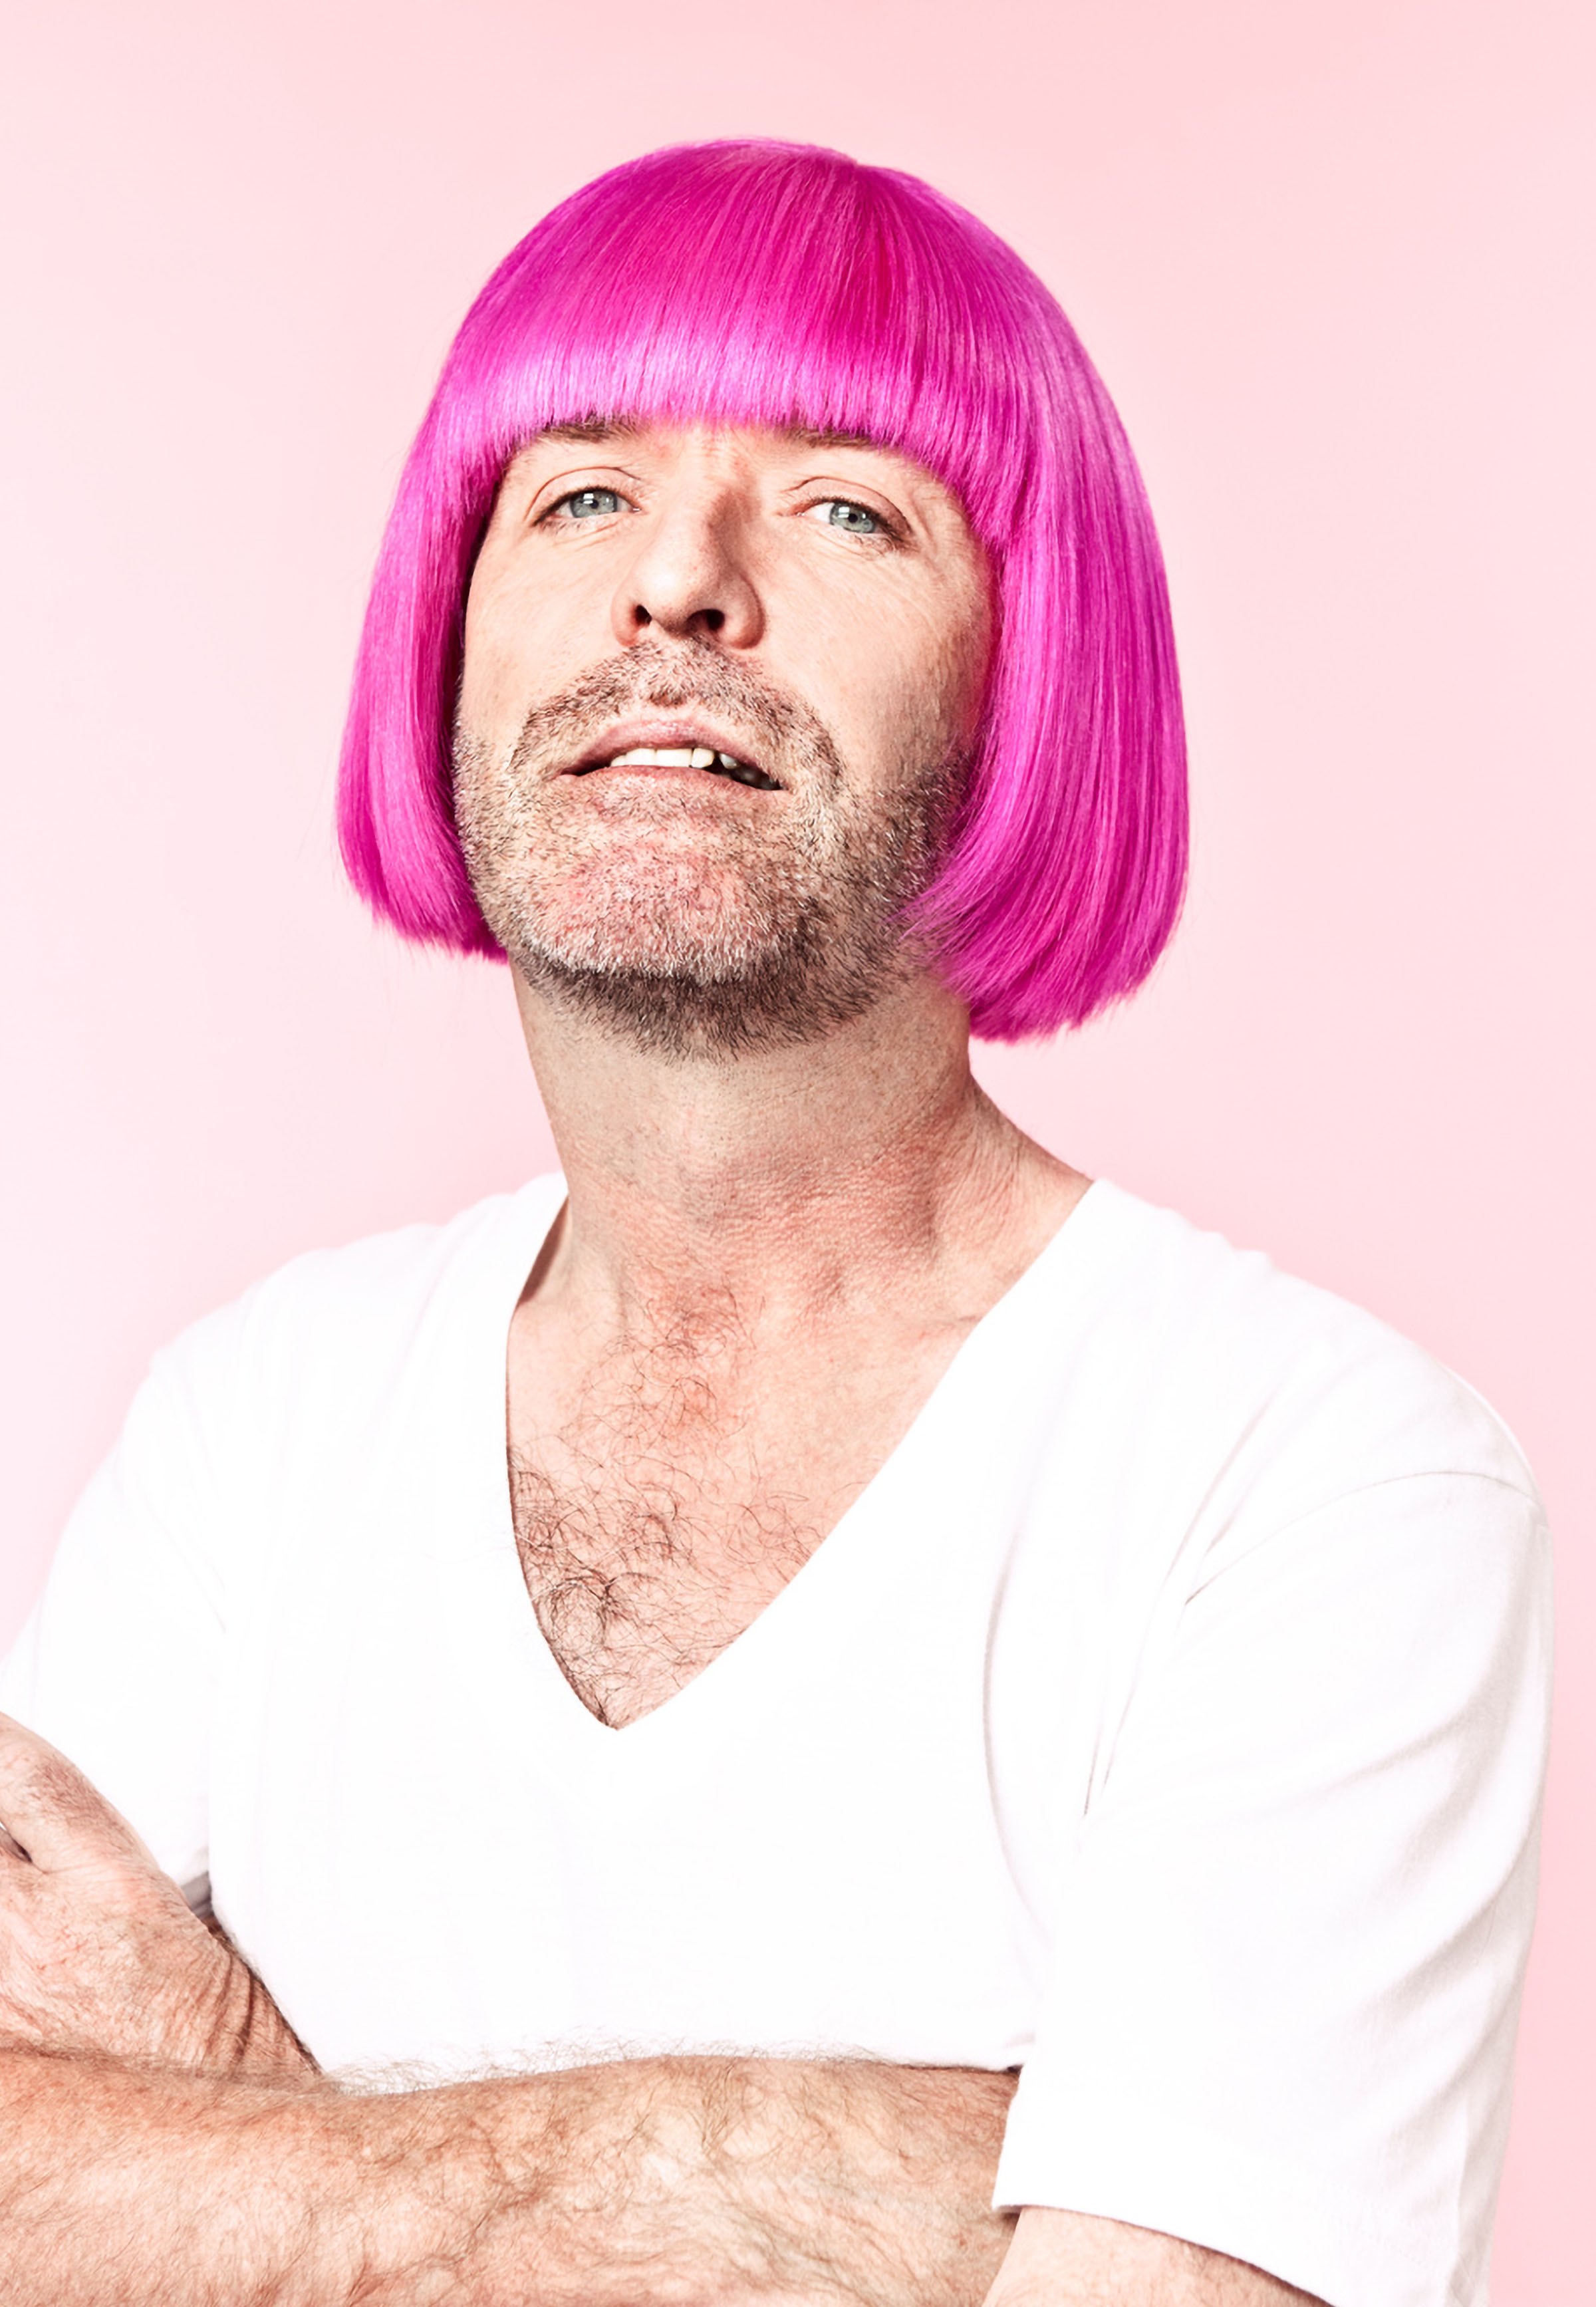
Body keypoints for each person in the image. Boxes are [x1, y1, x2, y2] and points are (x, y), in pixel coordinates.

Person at [0, 140, 1549, 2307]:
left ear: (1033, 683)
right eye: (578, 496)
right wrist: (840, 2184)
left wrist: (223, 2113)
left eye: (844, 509)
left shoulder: (1310, 1477)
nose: (679, 591)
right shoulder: (249, 1426)